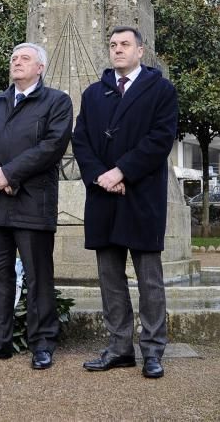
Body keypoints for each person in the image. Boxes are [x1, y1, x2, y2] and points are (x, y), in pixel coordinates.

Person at [72, 27, 178, 379]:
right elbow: (82, 140)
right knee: (110, 278)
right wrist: (102, 176)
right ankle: (119, 348)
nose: (117, 50)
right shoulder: (93, 93)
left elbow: (160, 139)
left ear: (140, 51)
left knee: (149, 279)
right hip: (103, 197)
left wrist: (121, 172)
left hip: (141, 195)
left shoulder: (160, 90)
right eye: (113, 44)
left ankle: (152, 350)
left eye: (125, 45)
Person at [0, 43, 73, 370]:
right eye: (13, 58)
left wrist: (10, 174)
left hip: (32, 203)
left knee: (38, 276)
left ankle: (42, 343)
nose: (16, 62)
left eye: (24, 58)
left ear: (40, 67)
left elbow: (52, 146)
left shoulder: (57, 101)